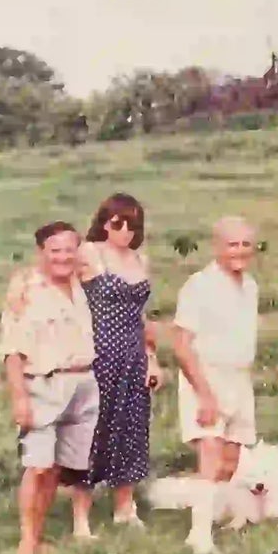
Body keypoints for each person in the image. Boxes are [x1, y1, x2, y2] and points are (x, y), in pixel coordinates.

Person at [65, 193, 165, 535]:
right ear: (104, 222)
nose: (123, 230)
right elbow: (62, 286)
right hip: (99, 352)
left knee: (132, 428)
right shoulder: (90, 252)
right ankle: (81, 519)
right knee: (93, 432)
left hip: (133, 353)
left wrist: (152, 358)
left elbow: (142, 316)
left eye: (131, 224)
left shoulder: (140, 259)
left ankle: (125, 507)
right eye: (116, 223)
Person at [0, 221, 99, 554]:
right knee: (38, 465)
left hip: (84, 381)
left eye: (69, 249)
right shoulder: (27, 291)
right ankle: (27, 543)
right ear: (41, 253)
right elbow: (12, 350)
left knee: (60, 467)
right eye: (55, 250)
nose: (63, 257)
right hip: (44, 383)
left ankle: (40, 537)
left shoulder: (82, 281)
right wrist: (19, 397)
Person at [171, 215, 261, 485]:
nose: (241, 250)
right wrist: (205, 395)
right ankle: (200, 525)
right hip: (207, 377)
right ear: (217, 247)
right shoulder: (199, 285)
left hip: (239, 379)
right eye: (233, 244)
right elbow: (181, 345)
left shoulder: (250, 286)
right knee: (211, 455)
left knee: (231, 462)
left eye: (246, 244)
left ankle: (222, 516)